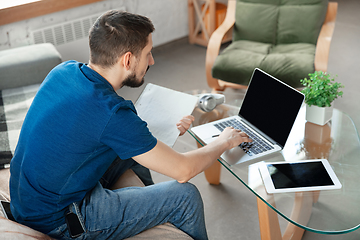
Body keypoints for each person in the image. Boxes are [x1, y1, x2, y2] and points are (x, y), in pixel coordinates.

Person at [9, 10, 251, 240]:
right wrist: (224, 141)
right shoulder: (111, 111)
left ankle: (150, 207)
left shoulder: (64, 71)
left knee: (138, 151)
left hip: (28, 200)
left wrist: (162, 129)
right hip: (58, 220)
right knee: (185, 196)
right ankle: (161, 208)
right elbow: (183, 170)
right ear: (127, 60)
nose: (152, 61)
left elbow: (103, 128)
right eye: (148, 53)